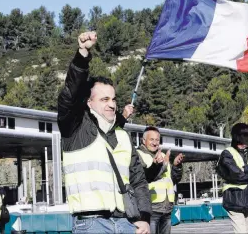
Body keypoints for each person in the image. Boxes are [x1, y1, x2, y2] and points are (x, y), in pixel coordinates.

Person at [57, 31, 151, 234]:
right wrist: (82, 54)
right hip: (91, 224)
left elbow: (139, 181)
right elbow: (70, 95)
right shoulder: (75, 129)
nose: (111, 105)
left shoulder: (123, 137)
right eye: (104, 99)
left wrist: (144, 218)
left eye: (113, 99)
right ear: (89, 103)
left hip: (127, 223)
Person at [216, 123, 248, 234]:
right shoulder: (227, 154)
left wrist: (246, 169)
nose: (247, 140)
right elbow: (236, 175)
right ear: (237, 138)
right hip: (235, 200)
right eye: (244, 136)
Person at [136, 126, 183, 234]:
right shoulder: (138, 155)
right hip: (150, 209)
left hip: (166, 209)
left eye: (157, 140)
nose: (155, 143)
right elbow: (144, 177)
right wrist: (159, 166)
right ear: (143, 140)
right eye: (151, 139)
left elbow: (173, 179)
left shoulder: (162, 155)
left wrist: (176, 166)